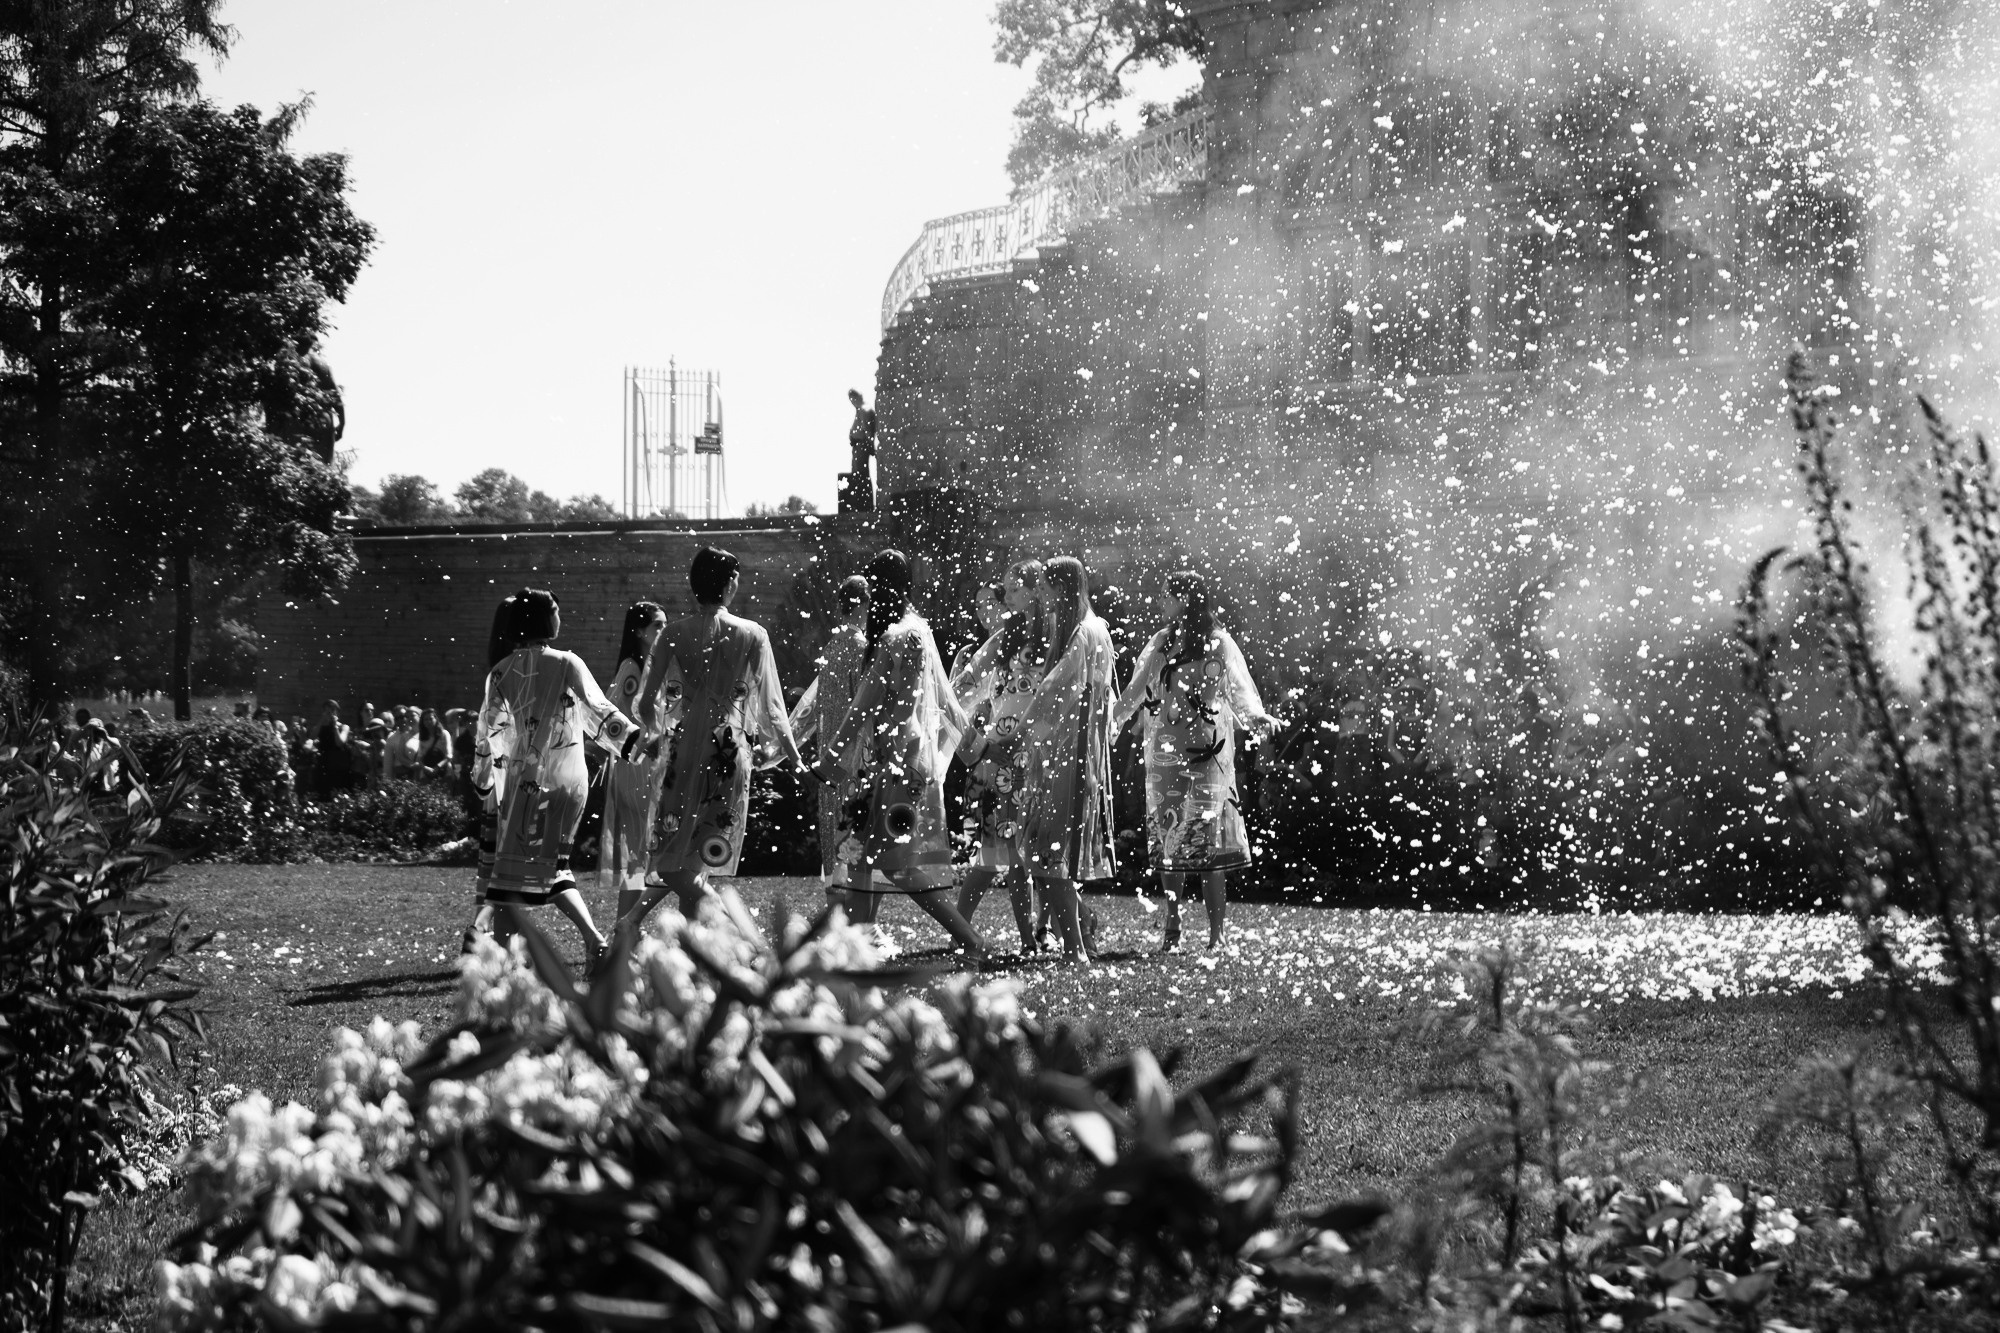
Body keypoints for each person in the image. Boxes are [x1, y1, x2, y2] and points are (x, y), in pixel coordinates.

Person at [815, 549, 987, 957]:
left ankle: (971, 939)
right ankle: (854, 950)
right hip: (903, 760)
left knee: (895, 866)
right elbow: (943, 698)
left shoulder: (897, 637)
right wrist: (975, 748)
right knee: (861, 859)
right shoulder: (917, 630)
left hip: (898, 765)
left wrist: (832, 759)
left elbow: (865, 705)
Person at [621, 546, 803, 931]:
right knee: (695, 858)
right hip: (729, 750)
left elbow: (645, 704)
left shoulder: (672, 634)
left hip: (683, 748)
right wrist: (792, 755)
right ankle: (727, 940)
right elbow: (774, 706)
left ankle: (722, 942)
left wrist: (655, 735)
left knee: (677, 859)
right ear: (731, 583)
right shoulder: (753, 634)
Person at [469, 588, 641, 968]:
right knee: (554, 867)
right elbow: (598, 708)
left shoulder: (501, 672)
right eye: (557, 610)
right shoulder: (568, 662)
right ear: (546, 620)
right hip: (569, 780)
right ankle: (589, 943)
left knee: (506, 881)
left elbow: (489, 734)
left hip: (525, 782)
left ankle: (507, 965)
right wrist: (630, 739)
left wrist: (483, 779)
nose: (562, 616)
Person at [1112, 571, 1280, 952]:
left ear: (1185, 599)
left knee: (1208, 839)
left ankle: (1217, 932)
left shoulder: (1218, 643)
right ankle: (1172, 923)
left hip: (1208, 752)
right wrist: (1113, 720)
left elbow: (1238, 689)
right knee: (1170, 835)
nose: (1160, 603)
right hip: (1164, 753)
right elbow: (1137, 689)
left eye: (1166, 596)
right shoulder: (1162, 641)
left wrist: (1258, 717)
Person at [1019, 556, 1118, 964]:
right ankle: (1081, 929)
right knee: (1046, 853)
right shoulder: (1090, 630)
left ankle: (1076, 947)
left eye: (1045, 586)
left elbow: (1059, 687)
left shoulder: (1085, 632)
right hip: (1067, 755)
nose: (1040, 594)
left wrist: (1023, 732)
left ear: (1062, 588)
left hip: (1072, 760)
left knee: (1049, 854)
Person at [951, 560, 1048, 951]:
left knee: (1017, 856)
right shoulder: (1007, 635)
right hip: (1002, 759)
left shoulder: (1056, 635)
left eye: (1011, 589)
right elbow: (964, 683)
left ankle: (1026, 939)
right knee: (999, 853)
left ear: (1030, 591)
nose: (1005, 597)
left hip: (1036, 757)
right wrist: (975, 739)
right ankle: (975, 934)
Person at [788, 575, 871, 912]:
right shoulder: (863, 647)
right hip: (852, 759)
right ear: (865, 605)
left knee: (831, 831)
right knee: (854, 832)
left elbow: (817, 707)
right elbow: (865, 706)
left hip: (828, 758)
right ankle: (856, 919)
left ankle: (835, 914)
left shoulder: (832, 647)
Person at [597, 600, 668, 911]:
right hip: (637, 767)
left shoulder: (653, 664)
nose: (665, 631)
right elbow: (610, 715)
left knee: (644, 852)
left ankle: (627, 929)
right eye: (658, 625)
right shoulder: (633, 667)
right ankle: (626, 929)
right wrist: (643, 742)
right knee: (640, 852)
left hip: (651, 766)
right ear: (640, 631)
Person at [842, 388, 878, 513]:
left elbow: (868, 431)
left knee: (861, 475)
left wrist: (870, 446)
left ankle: (864, 505)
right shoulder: (860, 410)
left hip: (862, 446)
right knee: (858, 475)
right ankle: (861, 504)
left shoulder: (865, 410)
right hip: (858, 446)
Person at [312, 700, 354, 799]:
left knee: (338, 795)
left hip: (338, 766)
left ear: (337, 712)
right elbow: (312, 736)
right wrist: (322, 721)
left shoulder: (344, 727)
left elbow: (340, 742)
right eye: (327, 711)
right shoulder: (321, 726)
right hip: (323, 765)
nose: (330, 713)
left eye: (332, 711)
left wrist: (335, 726)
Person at [414, 707, 453, 775]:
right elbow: (420, 758)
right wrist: (426, 768)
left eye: (431, 719)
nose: (428, 721)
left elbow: (449, 756)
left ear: (436, 719)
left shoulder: (444, 734)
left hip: (444, 771)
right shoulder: (422, 737)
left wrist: (437, 767)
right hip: (427, 772)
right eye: (426, 719)